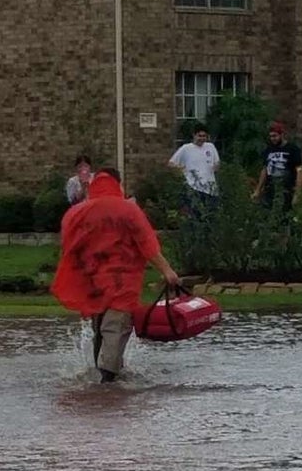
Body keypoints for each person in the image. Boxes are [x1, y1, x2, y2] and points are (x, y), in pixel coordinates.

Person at [52, 167, 180, 382]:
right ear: (118, 183)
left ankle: (100, 378)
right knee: (115, 329)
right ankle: (108, 381)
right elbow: (147, 244)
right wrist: (168, 271)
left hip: (93, 283)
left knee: (99, 329)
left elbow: (69, 246)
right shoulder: (129, 210)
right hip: (123, 282)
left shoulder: (76, 212)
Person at [254, 121, 302, 211]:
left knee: (284, 216)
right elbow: (265, 169)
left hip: (286, 190)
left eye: (275, 136)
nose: (272, 139)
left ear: (282, 135)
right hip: (270, 190)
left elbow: (300, 171)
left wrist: (297, 193)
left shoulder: (292, 149)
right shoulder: (268, 150)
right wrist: (258, 190)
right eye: (270, 136)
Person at [167, 124, 220, 209]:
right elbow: (171, 163)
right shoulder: (186, 148)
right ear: (194, 135)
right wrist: (180, 170)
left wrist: (216, 167)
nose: (202, 138)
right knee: (196, 215)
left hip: (211, 189)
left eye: (204, 136)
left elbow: (217, 162)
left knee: (211, 214)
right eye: (199, 136)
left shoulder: (210, 147)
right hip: (194, 188)